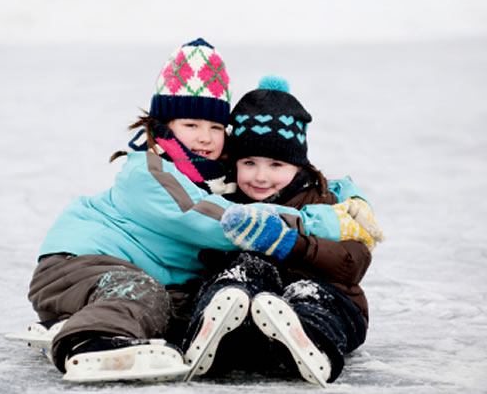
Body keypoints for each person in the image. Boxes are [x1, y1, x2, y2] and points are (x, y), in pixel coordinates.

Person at [21, 39, 377, 383]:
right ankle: (89, 343)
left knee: (183, 312)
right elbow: (220, 220)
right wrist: (322, 221)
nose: (205, 138)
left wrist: (353, 201)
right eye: (191, 125)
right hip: (80, 261)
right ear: (163, 127)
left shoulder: (215, 175)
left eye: (216, 128)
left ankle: (71, 324)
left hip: (146, 276)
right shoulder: (148, 173)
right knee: (139, 291)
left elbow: (302, 177)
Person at [181, 75, 384, 386]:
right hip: (256, 313)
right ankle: (211, 331)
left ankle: (311, 342)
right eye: (249, 162)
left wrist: (290, 244)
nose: (261, 176)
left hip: (333, 303)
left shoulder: (324, 202)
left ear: (298, 165)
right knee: (242, 273)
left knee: (313, 295)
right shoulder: (223, 204)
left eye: (276, 164)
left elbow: (353, 261)